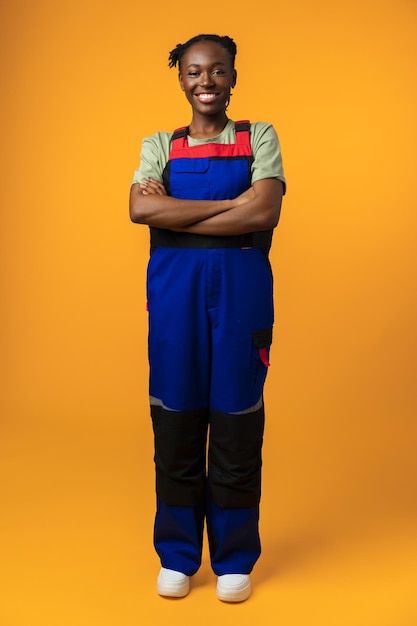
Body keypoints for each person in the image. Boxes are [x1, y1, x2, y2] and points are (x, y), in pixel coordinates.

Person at [129, 33, 286, 602]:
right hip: (175, 300)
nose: (206, 82)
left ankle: (235, 558)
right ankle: (176, 555)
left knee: (237, 423)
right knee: (175, 422)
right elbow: (140, 209)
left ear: (233, 77)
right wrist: (231, 207)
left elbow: (266, 208)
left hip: (242, 297)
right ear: (180, 78)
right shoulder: (159, 144)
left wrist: (179, 215)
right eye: (194, 72)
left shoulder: (258, 137)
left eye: (217, 71)